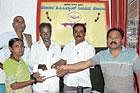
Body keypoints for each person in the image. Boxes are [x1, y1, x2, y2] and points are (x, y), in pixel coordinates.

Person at [56, 28, 140, 93]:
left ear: (122, 39)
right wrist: (64, 66)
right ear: (107, 40)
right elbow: (85, 64)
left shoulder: (132, 55)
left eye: (116, 37)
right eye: (110, 37)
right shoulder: (102, 55)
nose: (113, 40)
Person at [52, 23, 95, 93]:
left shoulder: (89, 48)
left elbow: (83, 66)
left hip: (82, 85)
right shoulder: (68, 45)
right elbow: (63, 60)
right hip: (67, 84)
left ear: (84, 33)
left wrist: (66, 70)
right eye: (76, 32)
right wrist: (55, 65)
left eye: (81, 31)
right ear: (73, 34)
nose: (78, 34)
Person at [29, 23, 61, 93]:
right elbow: (30, 63)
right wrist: (39, 65)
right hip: (40, 82)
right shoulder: (35, 46)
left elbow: (60, 62)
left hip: (53, 83)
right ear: (40, 34)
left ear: (51, 32)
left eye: (48, 32)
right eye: (43, 33)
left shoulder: (57, 46)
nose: (46, 35)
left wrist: (57, 66)